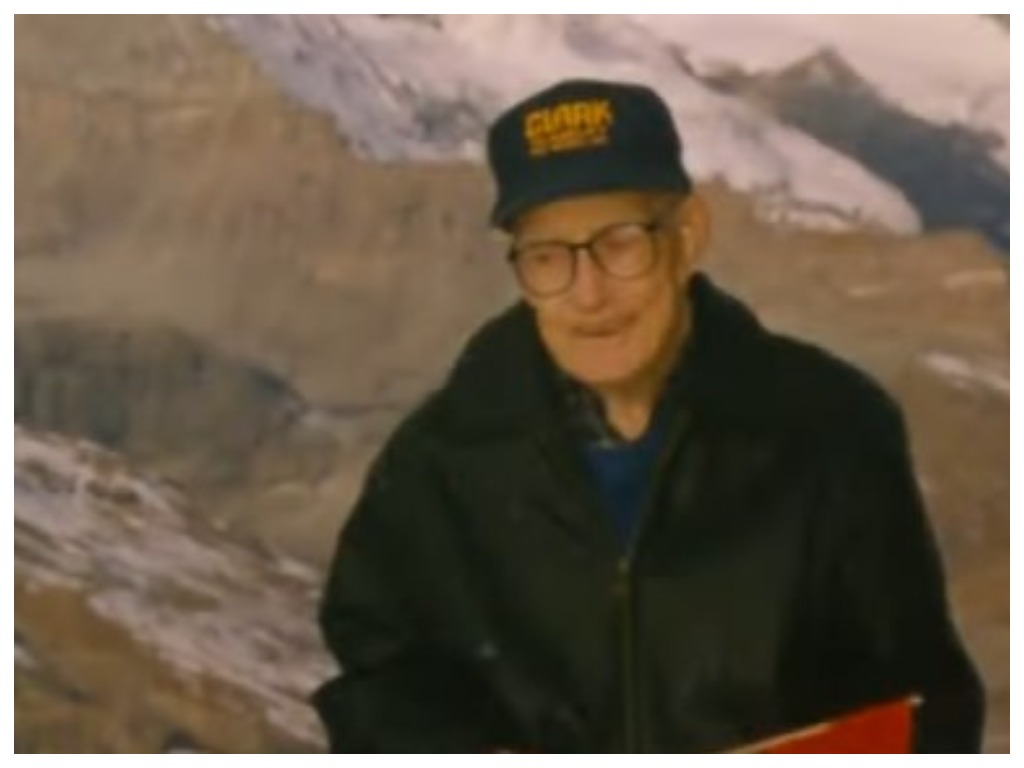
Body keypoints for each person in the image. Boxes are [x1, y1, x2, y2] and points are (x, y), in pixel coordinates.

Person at [311, 78, 984, 753]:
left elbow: (926, 708)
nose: (589, 293)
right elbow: (379, 688)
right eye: (548, 258)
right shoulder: (440, 463)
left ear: (687, 238)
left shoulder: (831, 433)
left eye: (619, 243)